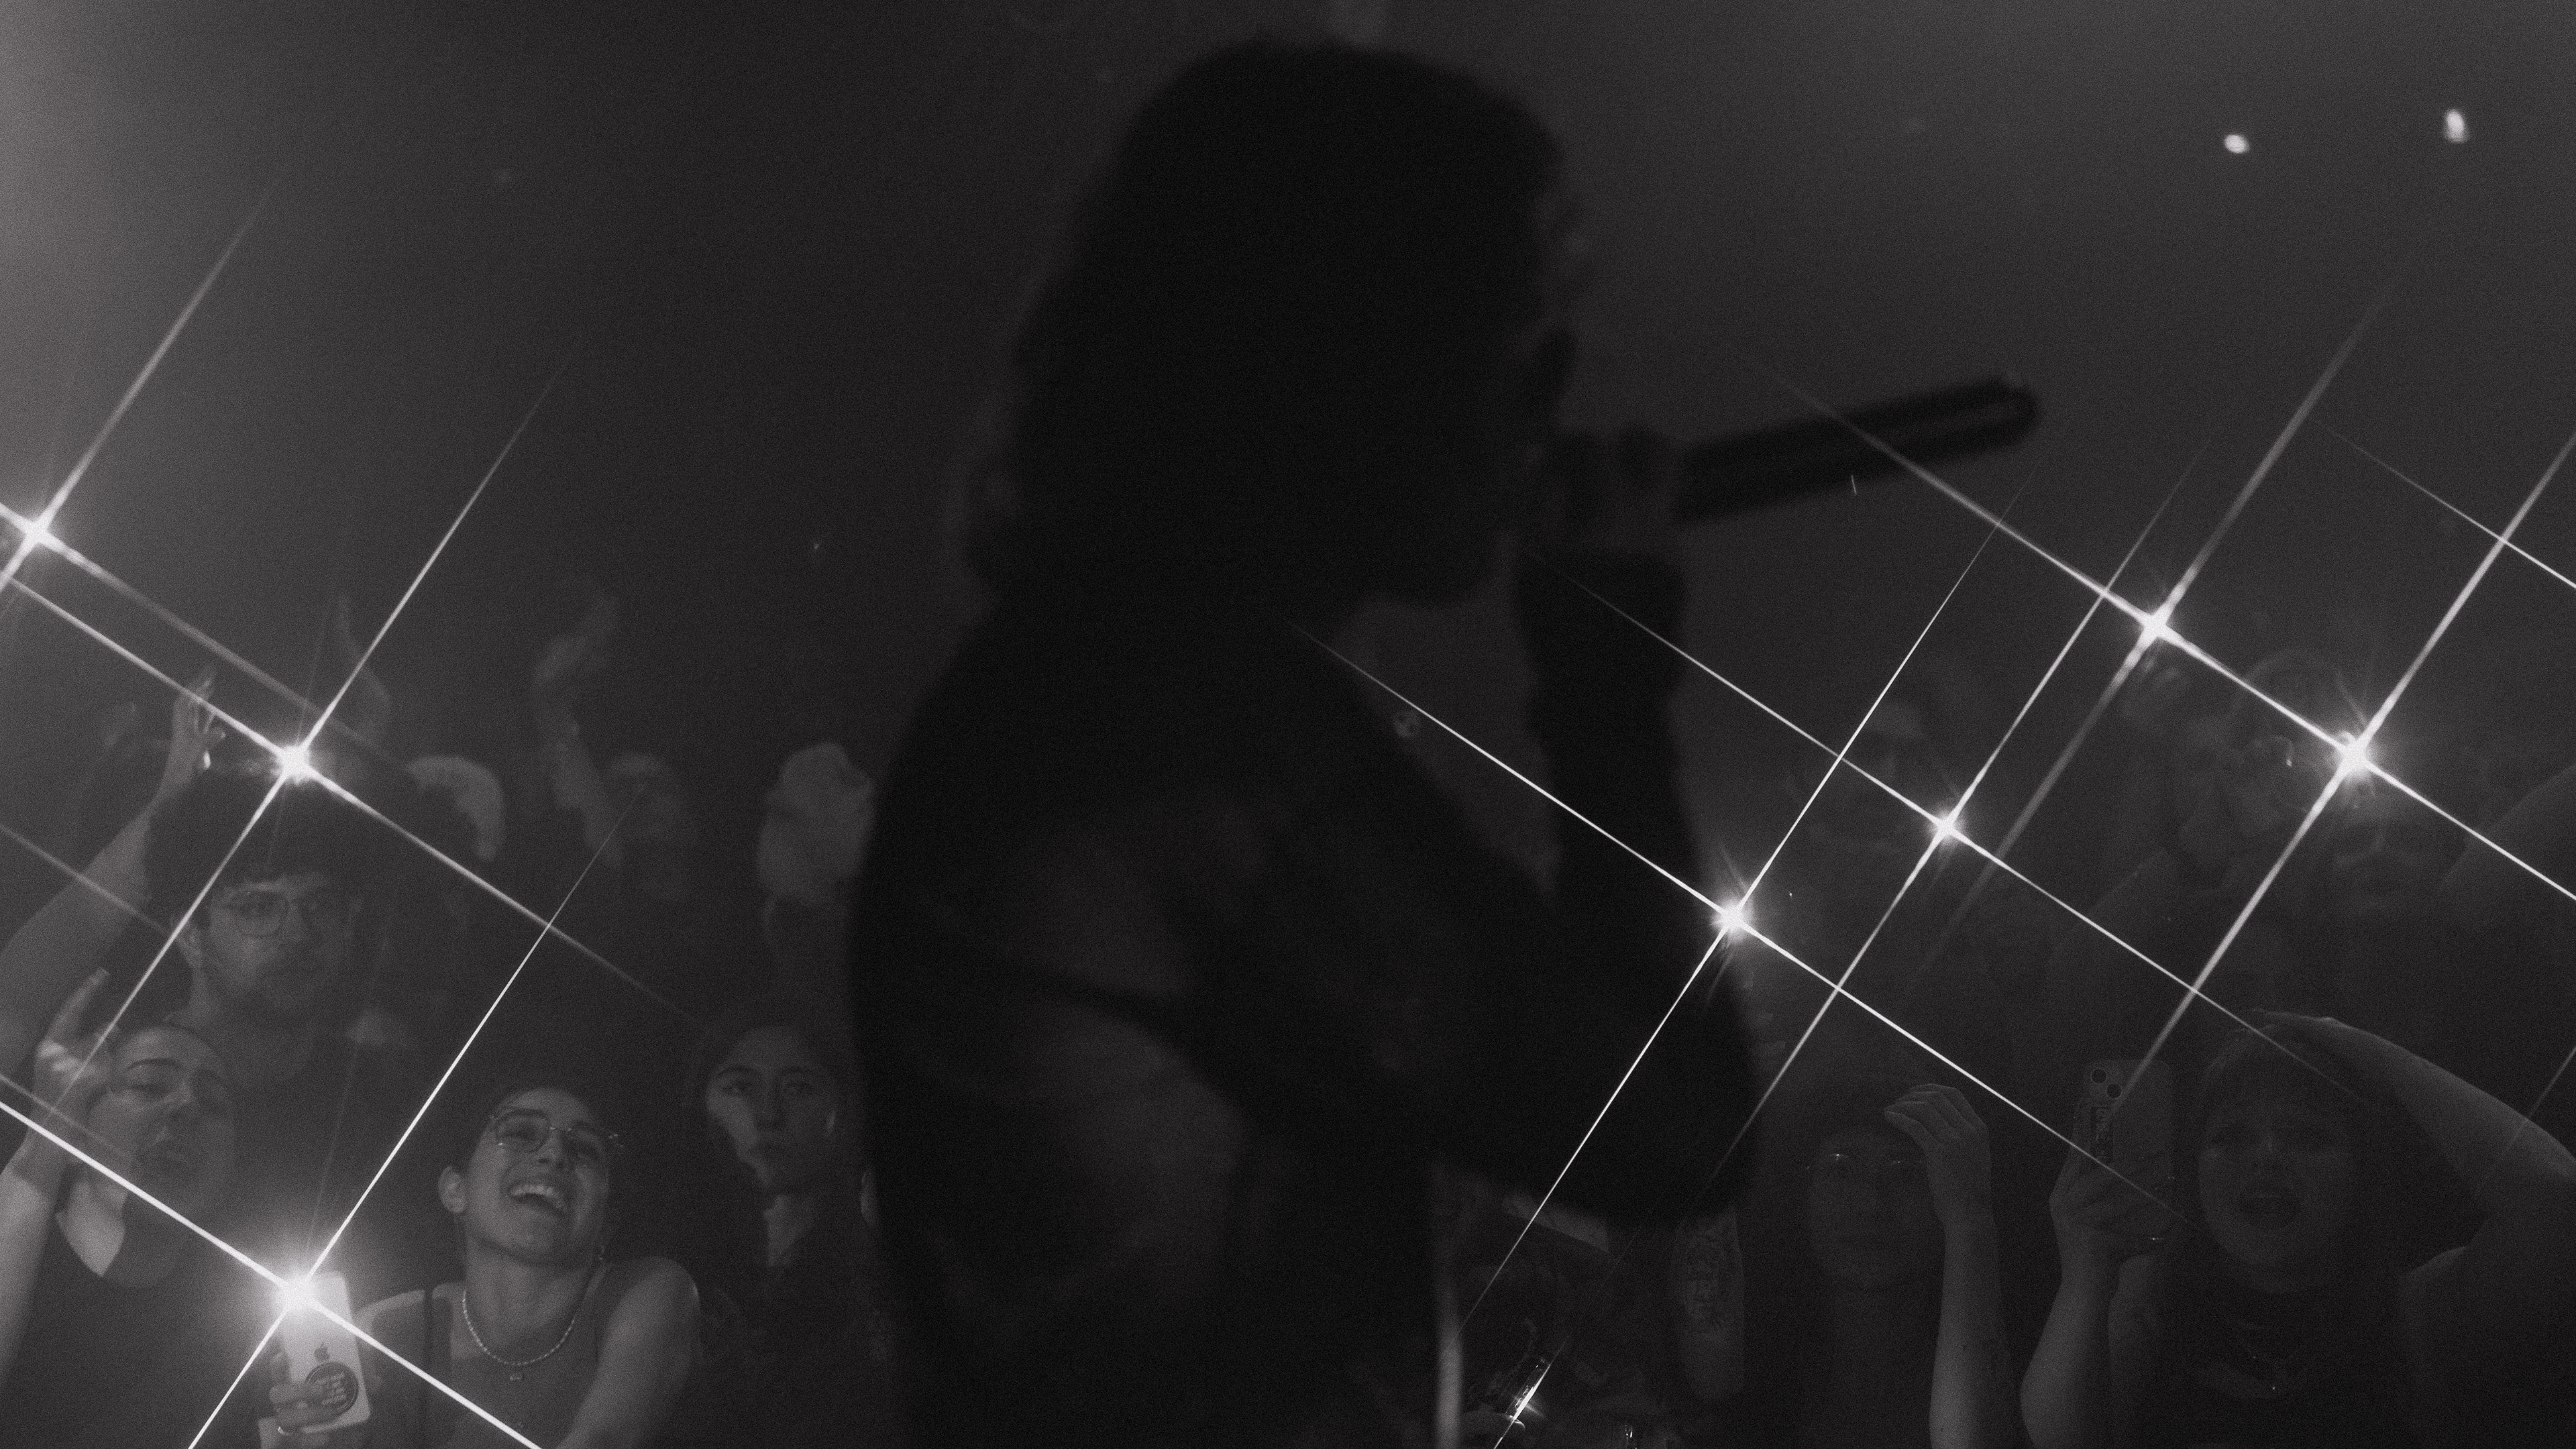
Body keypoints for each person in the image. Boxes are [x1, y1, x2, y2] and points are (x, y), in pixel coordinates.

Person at [851, 36, 1757, 1446]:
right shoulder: (1183, 739)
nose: (1548, 410)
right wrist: (1605, 681)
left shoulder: (1096, 682)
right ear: (1363, 358)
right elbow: (1670, 1126)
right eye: (1519, 345)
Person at [2022, 1014, 2576, 1447]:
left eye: (2306, 1135)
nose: (2266, 1155)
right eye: (2232, 1135)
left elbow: (2555, 1199)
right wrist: (2084, 1277)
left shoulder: (2417, 1316)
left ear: (2361, 1174)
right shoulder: (2147, 1306)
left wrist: (2367, 1051)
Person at [270, 1076, 698, 1448]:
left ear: (606, 1221)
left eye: (585, 1149)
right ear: (456, 1190)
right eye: (520, 1133)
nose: (554, 1154)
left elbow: (603, 1440)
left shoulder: (648, 1294)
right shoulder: (385, 1334)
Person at [0, 974, 258, 1445]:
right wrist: (45, 1142)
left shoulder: (239, 1329)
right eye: (149, 1084)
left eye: (215, 1105)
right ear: (76, 1125)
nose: (186, 1106)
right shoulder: (21, 1261)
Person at [1723, 1061, 2015, 1449]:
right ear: (1802, 1192)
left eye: (1904, 1175)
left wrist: (1971, 1221)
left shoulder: (2013, 1355)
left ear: (1947, 1195)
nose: (1871, 1205)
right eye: (1841, 1170)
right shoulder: (1746, 1361)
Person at [668, 995, 900, 1446]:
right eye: (741, 1088)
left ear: (843, 1110)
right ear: (701, 1102)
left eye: (799, 1089)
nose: (768, 1115)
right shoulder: (659, 1260)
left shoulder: (874, 1273)